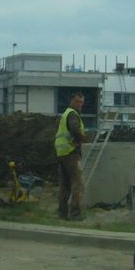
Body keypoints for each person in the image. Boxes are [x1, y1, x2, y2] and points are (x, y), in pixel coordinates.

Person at [54, 92, 87, 221]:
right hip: (70, 151)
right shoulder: (73, 115)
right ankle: (75, 214)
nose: (80, 105)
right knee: (78, 183)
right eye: (77, 102)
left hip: (61, 153)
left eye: (81, 102)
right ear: (72, 101)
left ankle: (62, 213)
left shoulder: (65, 114)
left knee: (65, 184)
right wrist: (82, 139)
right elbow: (74, 129)